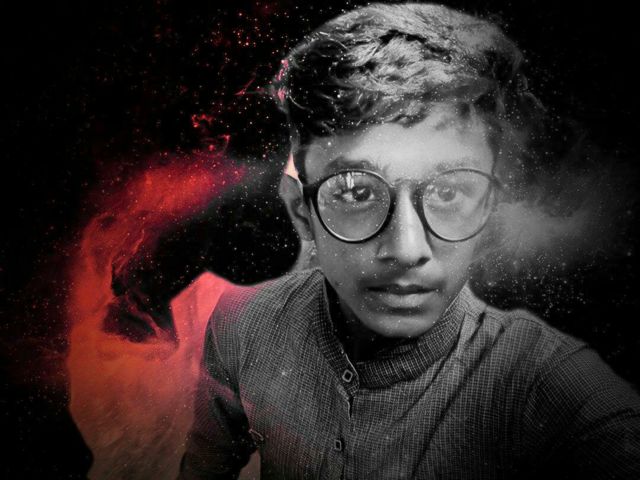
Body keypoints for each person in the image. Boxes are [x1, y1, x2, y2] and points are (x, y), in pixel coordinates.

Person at [179, 3, 640, 478]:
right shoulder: (242, 325)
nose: (406, 250)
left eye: (448, 191)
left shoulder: (547, 383)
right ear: (302, 210)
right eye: (356, 192)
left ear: (487, 207)